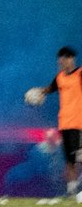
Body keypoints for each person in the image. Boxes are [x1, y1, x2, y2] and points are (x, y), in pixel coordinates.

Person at [25, 47, 82, 196]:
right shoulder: (60, 77)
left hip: (79, 123)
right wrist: (37, 92)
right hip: (65, 124)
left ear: (71, 59)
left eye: (63, 59)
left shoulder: (80, 74)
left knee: (80, 158)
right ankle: (72, 192)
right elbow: (50, 89)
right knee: (70, 160)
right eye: (59, 61)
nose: (61, 63)